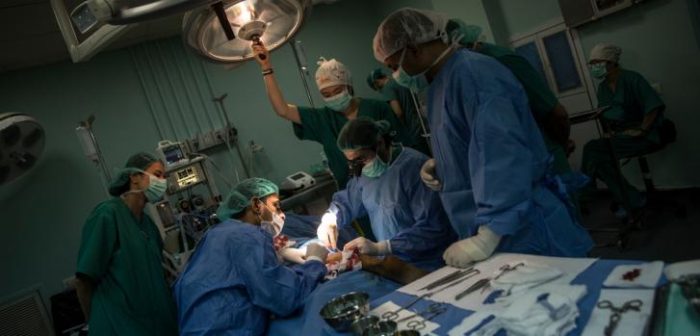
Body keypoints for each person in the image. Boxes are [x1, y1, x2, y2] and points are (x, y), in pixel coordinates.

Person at [372, 8, 593, 268]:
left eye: (394, 66)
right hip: (489, 226)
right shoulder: (439, 86)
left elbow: (501, 154)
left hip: (519, 227)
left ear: (413, 49)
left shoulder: (474, 75)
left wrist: (488, 236)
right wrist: (442, 165)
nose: (396, 76)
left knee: (563, 299)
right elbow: (467, 142)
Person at [173, 178, 329, 335]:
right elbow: (284, 298)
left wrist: (277, 256)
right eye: (276, 206)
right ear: (256, 205)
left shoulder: (216, 233)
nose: (282, 215)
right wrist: (314, 262)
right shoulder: (248, 236)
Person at [251, 41, 413, 189]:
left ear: (349, 87)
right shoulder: (322, 119)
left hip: (393, 184)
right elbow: (282, 110)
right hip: (354, 194)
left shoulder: (376, 108)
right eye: (326, 94)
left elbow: (405, 147)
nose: (333, 97)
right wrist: (266, 68)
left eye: (337, 91)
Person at [316, 118, 456, 268]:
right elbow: (348, 201)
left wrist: (383, 247)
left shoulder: (414, 168)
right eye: (352, 162)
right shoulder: (365, 174)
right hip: (396, 265)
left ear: (380, 144)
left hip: (432, 263)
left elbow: (433, 227)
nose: (358, 166)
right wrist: (330, 218)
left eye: (361, 158)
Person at [445, 19, 572, 175]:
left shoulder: (503, 61)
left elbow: (557, 113)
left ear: (456, 44)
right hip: (509, 168)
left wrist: (563, 143)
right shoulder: (462, 77)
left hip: (542, 158)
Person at [74, 152, 177, 335]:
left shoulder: (148, 226)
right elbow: (83, 280)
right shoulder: (107, 215)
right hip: (120, 327)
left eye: (164, 177)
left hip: (155, 325)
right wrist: (96, 322)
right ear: (135, 177)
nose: (163, 182)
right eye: (157, 175)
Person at [580, 43, 666, 218]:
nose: (593, 67)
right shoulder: (603, 87)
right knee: (600, 160)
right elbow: (605, 113)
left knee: (592, 150)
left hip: (645, 134)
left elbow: (653, 105)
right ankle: (633, 199)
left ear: (610, 62)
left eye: (597, 62)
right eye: (591, 64)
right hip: (621, 135)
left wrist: (642, 129)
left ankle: (584, 193)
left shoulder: (632, 79)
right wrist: (610, 132)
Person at [367, 68, 431, 155]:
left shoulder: (387, 89)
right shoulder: (400, 82)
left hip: (411, 129)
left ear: (376, 83)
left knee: (422, 158)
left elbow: (398, 112)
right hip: (421, 124)